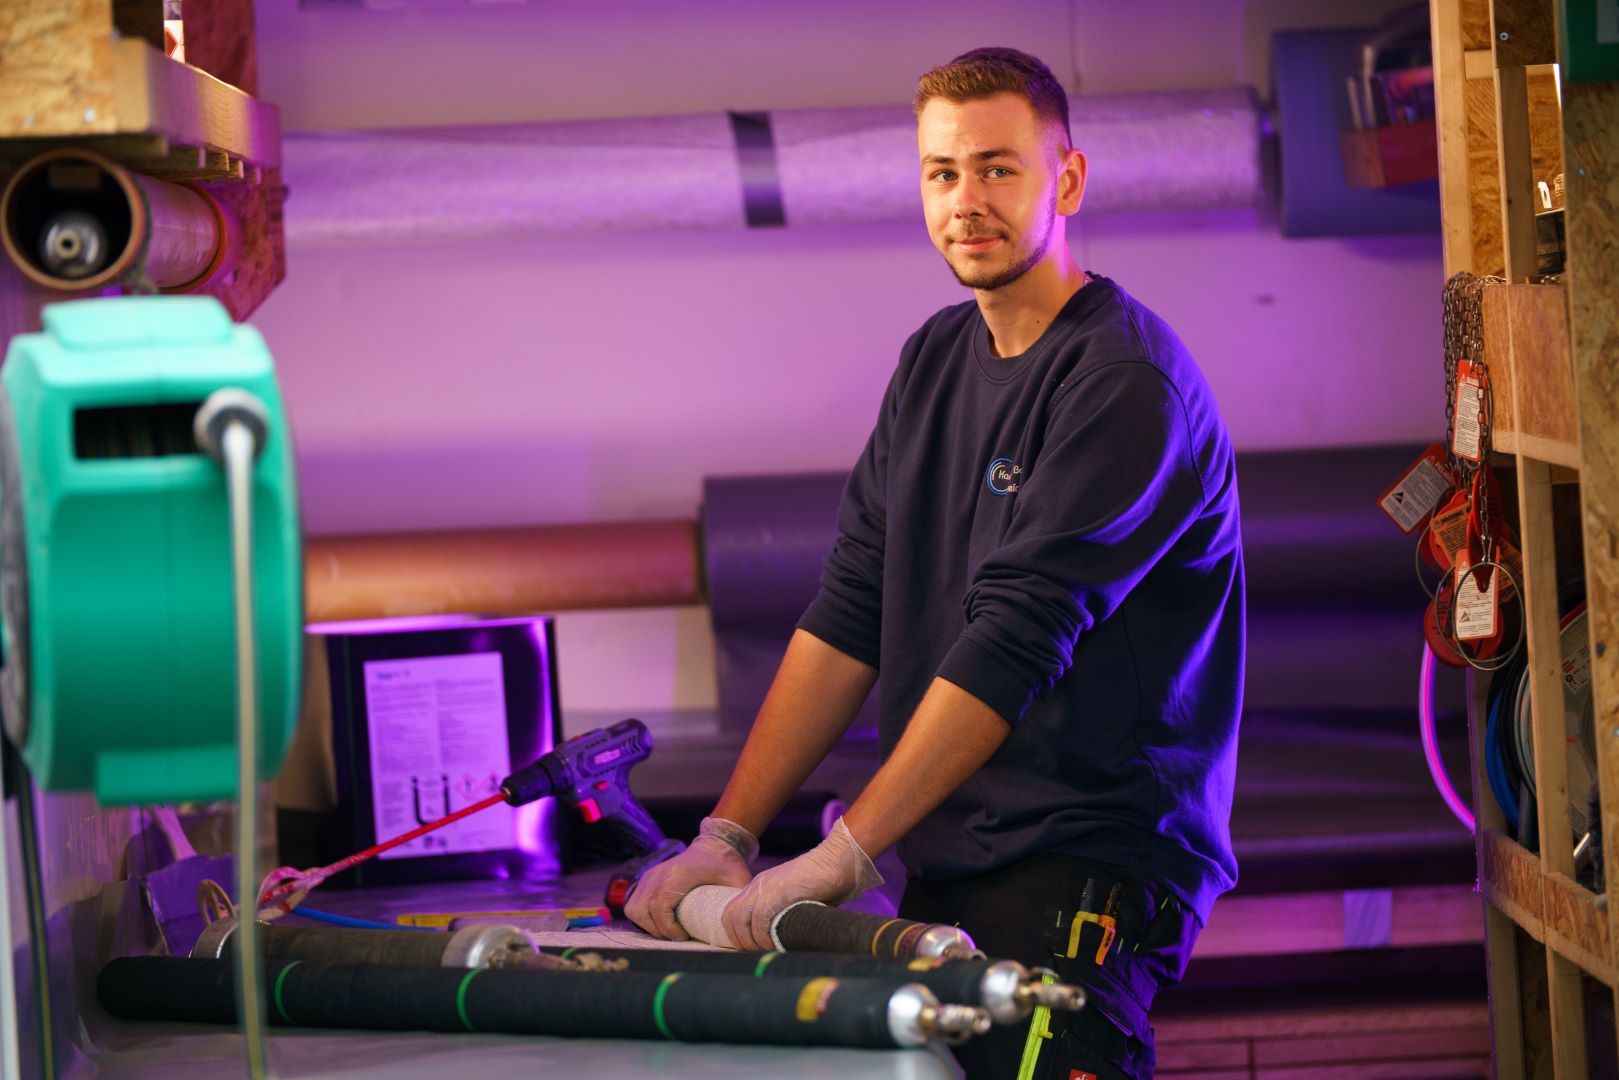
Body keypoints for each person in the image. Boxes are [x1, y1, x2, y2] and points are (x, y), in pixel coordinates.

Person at [627, 46, 1244, 1080]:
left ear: (1066, 181)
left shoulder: (1122, 382)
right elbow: (850, 608)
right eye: (942, 172)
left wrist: (843, 852)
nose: (967, 201)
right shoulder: (933, 359)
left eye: (998, 168)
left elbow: (1013, 640)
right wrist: (727, 834)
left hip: (1082, 862)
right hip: (952, 848)